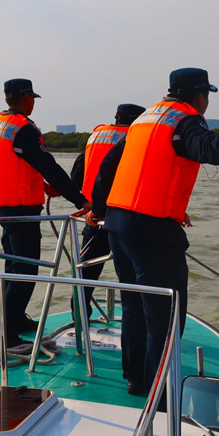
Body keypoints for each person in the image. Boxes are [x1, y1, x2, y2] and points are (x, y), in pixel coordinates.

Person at [87, 68, 219, 395]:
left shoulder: (145, 120)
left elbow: (109, 165)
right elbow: (210, 148)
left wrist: (98, 210)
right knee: (165, 321)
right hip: (151, 233)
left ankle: (136, 380)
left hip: (118, 226)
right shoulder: (185, 119)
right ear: (200, 96)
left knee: (134, 308)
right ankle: (159, 399)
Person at [0, 78, 89, 349]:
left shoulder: (0, 123)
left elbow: (13, 166)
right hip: (21, 212)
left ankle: (15, 320)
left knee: (14, 269)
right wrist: (81, 200)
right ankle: (2, 337)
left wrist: (43, 186)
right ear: (27, 98)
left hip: (1, 208)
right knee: (26, 272)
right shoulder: (23, 129)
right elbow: (48, 165)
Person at [68, 103, 146, 318]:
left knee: (86, 270)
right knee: (131, 273)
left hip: (93, 216)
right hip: (125, 215)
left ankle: (80, 318)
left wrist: (84, 204)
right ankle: (135, 322)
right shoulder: (136, 137)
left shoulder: (96, 136)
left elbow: (77, 174)